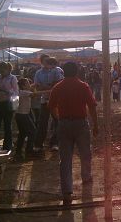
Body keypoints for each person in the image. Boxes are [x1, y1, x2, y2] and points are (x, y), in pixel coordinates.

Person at [48, 62, 98, 206]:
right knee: (85, 153)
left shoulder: (58, 87)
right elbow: (92, 106)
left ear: (64, 72)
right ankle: (86, 177)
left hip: (64, 124)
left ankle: (67, 191)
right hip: (81, 123)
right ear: (77, 72)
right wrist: (95, 125)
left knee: (65, 159)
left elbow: (51, 107)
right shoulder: (83, 86)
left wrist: (58, 118)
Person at [14, 78, 47, 160]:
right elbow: (35, 94)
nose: (29, 85)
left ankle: (18, 152)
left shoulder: (22, 92)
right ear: (23, 86)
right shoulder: (23, 92)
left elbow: (33, 94)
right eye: (28, 83)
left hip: (20, 115)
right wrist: (49, 91)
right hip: (23, 115)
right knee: (32, 131)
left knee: (22, 134)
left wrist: (33, 87)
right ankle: (29, 151)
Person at [33, 54, 54, 152]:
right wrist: (49, 87)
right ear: (42, 62)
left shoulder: (56, 70)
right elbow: (37, 87)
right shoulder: (38, 73)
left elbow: (57, 85)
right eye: (46, 61)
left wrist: (44, 87)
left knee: (57, 121)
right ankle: (39, 144)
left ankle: (54, 143)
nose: (48, 62)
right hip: (44, 100)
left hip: (55, 100)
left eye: (49, 60)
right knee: (42, 122)